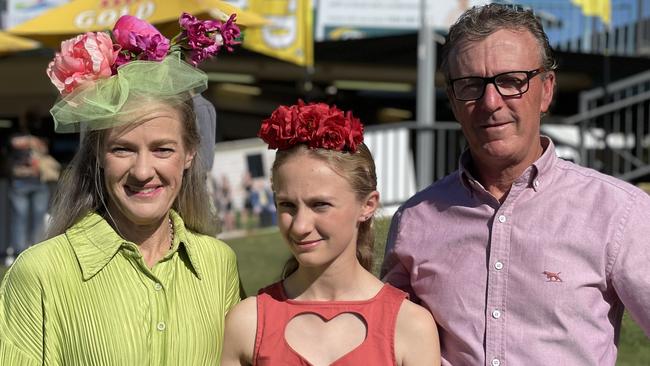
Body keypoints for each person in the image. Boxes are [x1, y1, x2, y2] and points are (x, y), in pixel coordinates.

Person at [381, 4, 650, 366]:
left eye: (511, 81)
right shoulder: (415, 220)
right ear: (454, 102)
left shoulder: (619, 212)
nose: (491, 103)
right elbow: (388, 344)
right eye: (471, 85)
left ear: (546, 91)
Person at [0, 13, 242, 364]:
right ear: (98, 153)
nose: (143, 171)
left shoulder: (219, 264)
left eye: (163, 149)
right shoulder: (39, 273)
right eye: (122, 148)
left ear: (190, 153)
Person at [221, 101, 440, 365]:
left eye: (320, 205)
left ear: (367, 205)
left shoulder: (410, 327)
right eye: (287, 205)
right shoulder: (248, 323)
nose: (300, 226)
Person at [6, 112, 53, 260]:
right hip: (19, 182)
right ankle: (19, 253)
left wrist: (34, 142)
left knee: (39, 219)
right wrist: (31, 140)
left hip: (39, 181)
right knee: (20, 218)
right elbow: (14, 143)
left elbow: (45, 148)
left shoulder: (43, 132)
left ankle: (36, 253)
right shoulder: (15, 133)